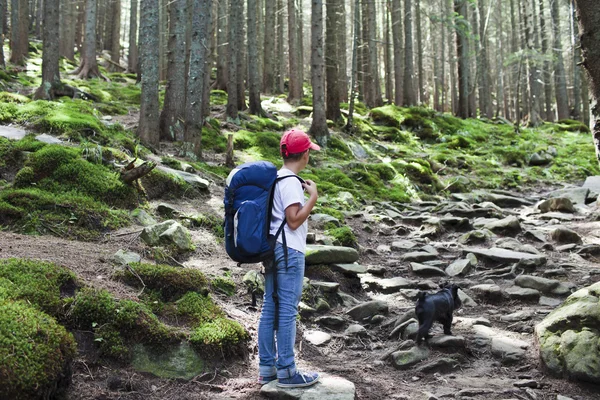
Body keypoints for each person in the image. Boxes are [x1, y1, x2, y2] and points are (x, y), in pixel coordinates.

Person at [257, 129, 321, 388]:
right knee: (287, 311)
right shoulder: (292, 182)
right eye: (309, 152)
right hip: (289, 251)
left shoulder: (276, 178)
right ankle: (287, 371)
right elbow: (294, 220)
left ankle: (266, 368)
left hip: (273, 250)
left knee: (269, 308)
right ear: (304, 154)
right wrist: (313, 197)